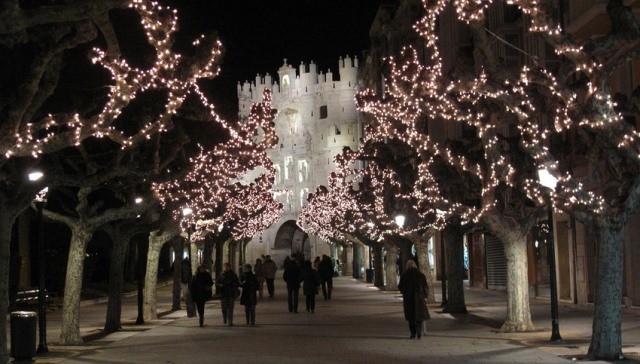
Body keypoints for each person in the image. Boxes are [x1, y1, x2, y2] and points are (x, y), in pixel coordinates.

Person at [398, 260, 430, 339]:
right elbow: (425, 286)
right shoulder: (420, 275)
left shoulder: (405, 275)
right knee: (419, 316)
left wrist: (405, 291)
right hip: (419, 298)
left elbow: (400, 287)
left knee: (411, 317)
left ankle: (413, 333)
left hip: (409, 299)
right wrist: (425, 295)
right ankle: (419, 331)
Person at [216, 262, 240, 326]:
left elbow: (237, 282)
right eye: (225, 266)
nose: (226, 267)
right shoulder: (221, 274)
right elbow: (217, 282)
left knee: (230, 308)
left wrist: (234, 285)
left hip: (231, 293)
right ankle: (224, 318)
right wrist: (221, 285)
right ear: (223, 267)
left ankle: (230, 321)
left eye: (227, 266)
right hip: (223, 294)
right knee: (224, 308)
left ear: (230, 267)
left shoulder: (233, 274)